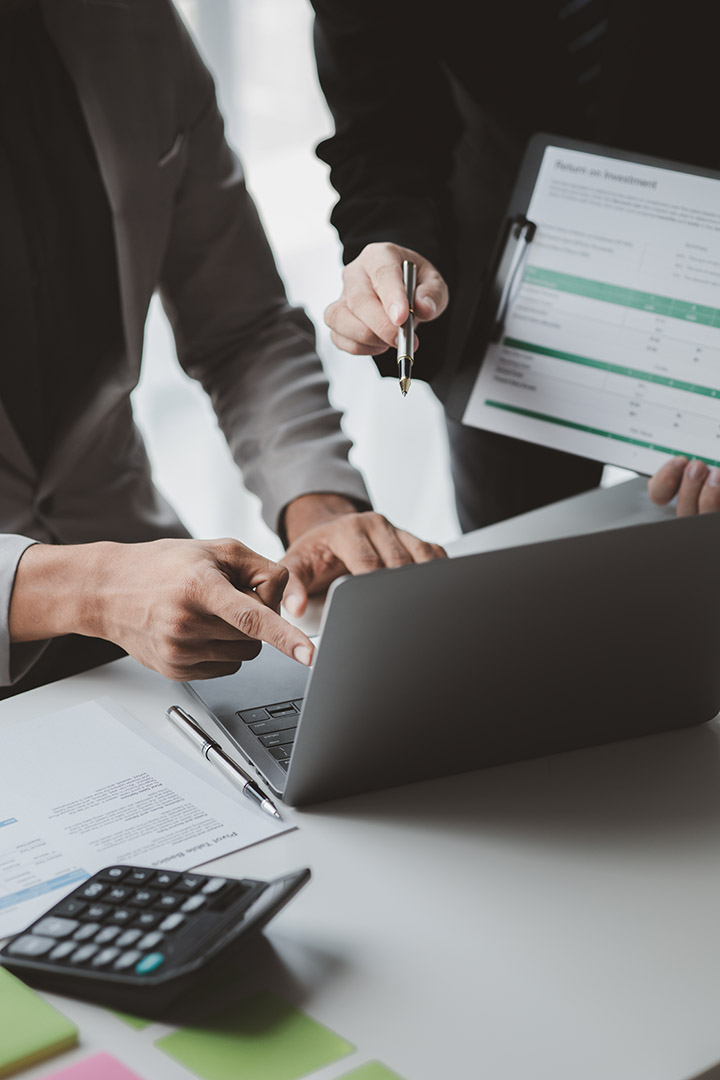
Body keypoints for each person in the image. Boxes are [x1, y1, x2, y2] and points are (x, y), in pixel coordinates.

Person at [0, 0, 445, 699]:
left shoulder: (136, 24)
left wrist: (317, 509)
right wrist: (88, 587)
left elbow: (243, 329)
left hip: (144, 644)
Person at [309, 0, 719, 532]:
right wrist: (392, 246)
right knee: (516, 558)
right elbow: (381, 131)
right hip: (508, 291)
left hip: (702, 265)